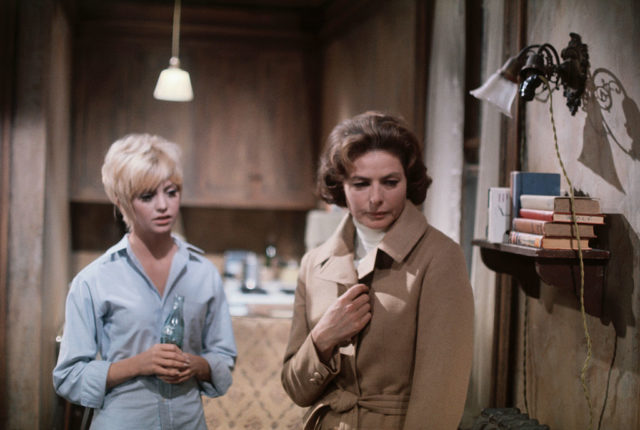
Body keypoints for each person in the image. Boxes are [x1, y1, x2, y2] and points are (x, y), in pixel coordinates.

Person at [281, 111, 474, 429]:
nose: (375, 198)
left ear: (408, 182)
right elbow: (295, 389)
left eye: (390, 182)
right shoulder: (313, 264)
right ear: (340, 186)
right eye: (360, 184)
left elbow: (440, 400)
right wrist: (323, 337)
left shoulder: (440, 258)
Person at [53, 134, 237, 429]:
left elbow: (224, 357)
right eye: (147, 196)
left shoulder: (204, 274)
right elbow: (69, 377)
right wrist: (138, 364)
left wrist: (197, 365)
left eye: (171, 192)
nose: (163, 205)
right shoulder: (93, 280)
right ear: (121, 201)